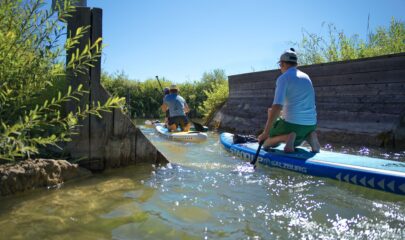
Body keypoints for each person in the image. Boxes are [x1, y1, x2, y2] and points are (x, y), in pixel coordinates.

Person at [257, 48, 321, 153]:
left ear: (282, 64)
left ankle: (286, 138)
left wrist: (265, 133)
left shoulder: (283, 78)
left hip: (292, 126)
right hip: (311, 125)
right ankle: (311, 136)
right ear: (296, 64)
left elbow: (277, 107)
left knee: (266, 143)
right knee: (278, 116)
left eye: (280, 65)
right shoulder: (306, 77)